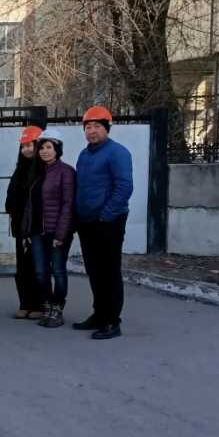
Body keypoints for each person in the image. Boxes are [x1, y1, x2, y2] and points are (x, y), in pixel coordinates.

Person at [73, 106, 133, 340]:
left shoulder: (118, 153)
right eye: (88, 127)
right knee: (94, 270)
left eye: (97, 126)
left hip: (109, 221)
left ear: (106, 128)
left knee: (109, 271)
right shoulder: (84, 155)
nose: (92, 131)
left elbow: (124, 187)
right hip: (87, 222)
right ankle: (99, 314)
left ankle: (111, 321)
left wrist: (106, 215)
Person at [31, 128, 76, 328]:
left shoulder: (66, 172)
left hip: (58, 232)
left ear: (57, 149)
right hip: (38, 232)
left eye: (49, 147)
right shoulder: (37, 172)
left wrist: (61, 233)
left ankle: (58, 307)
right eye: (41, 148)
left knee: (58, 270)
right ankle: (48, 305)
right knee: (41, 272)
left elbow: (68, 204)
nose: (44, 151)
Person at [5, 125, 46, 320]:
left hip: (37, 226)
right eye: (24, 146)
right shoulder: (19, 169)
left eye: (31, 145)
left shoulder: (44, 170)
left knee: (38, 266)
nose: (27, 149)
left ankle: (39, 304)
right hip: (20, 226)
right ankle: (25, 303)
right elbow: (12, 195)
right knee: (22, 267)